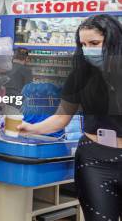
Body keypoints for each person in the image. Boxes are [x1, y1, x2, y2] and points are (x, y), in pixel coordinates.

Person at [18, 14, 122, 221]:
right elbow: (60, 118)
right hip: (94, 159)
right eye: (83, 44)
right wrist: (29, 128)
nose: (88, 50)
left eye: (94, 43)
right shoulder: (80, 76)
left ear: (114, 41)